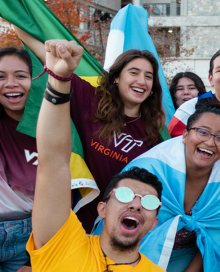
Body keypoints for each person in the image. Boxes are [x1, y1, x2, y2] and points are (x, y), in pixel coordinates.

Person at [27, 39, 164, 271]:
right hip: (67, 224)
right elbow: (56, 67)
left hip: (117, 232)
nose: (142, 81)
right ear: (117, 77)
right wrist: (13, 12)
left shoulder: (155, 138)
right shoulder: (91, 101)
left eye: (149, 76)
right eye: (134, 72)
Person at [111, 98, 220, 272]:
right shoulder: (148, 170)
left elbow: (211, 244)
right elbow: (116, 227)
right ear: (185, 135)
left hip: (183, 260)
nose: (210, 142)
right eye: (202, 132)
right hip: (131, 255)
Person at [0, 47, 35, 272]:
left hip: (30, 240)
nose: (10, 83)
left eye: (20, 76)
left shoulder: (57, 126)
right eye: (0, 77)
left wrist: (35, 259)